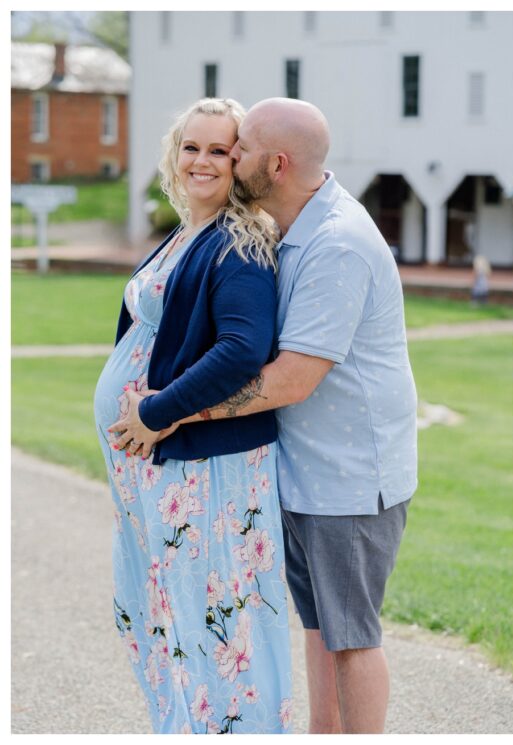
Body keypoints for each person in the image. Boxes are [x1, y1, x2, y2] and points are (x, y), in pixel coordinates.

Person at [112, 97, 418, 734]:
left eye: (237, 148)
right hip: (306, 469)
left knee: (352, 637)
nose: (226, 157)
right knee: (320, 627)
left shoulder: (338, 244)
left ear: (274, 164)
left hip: (352, 476)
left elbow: (290, 379)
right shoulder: (290, 227)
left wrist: (167, 416)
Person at [94, 98, 291, 734]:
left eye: (218, 150)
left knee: (213, 621)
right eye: (191, 147)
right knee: (162, 611)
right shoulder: (186, 235)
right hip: (157, 469)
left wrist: (156, 411)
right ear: (173, 156)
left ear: (239, 162)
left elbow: (242, 350)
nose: (201, 161)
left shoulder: (240, 240)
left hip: (203, 472)